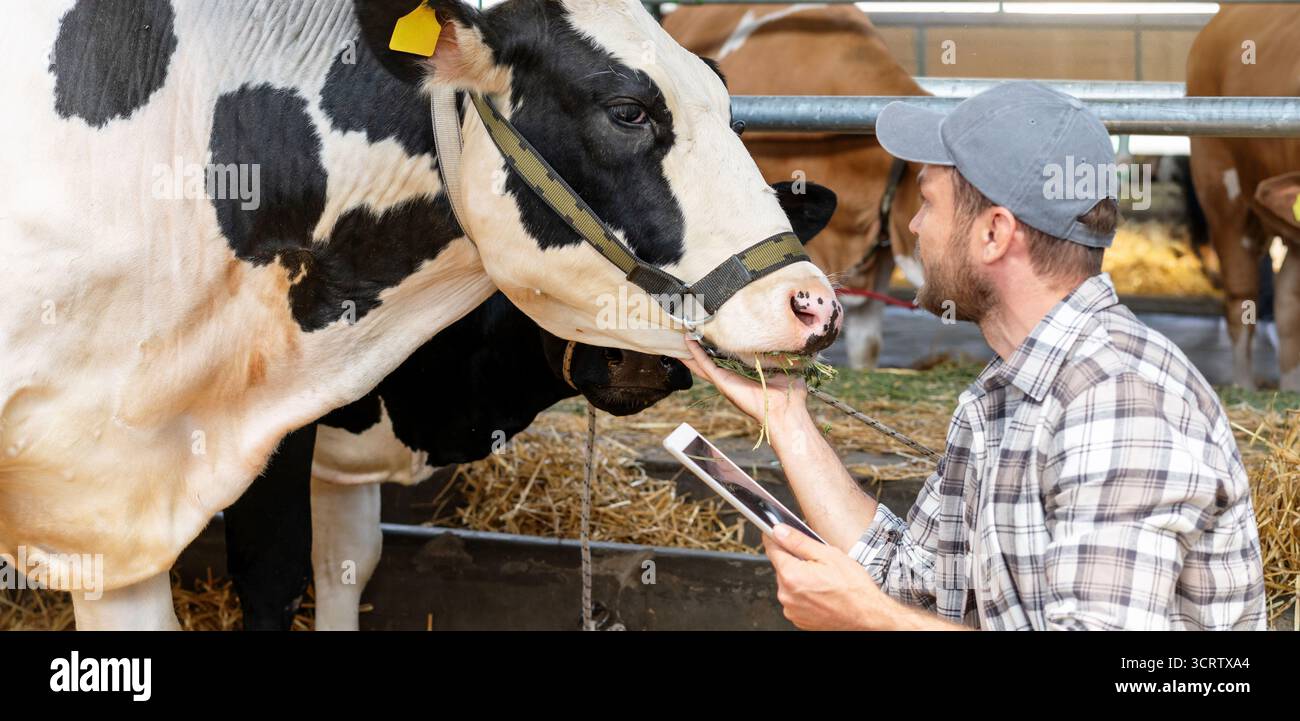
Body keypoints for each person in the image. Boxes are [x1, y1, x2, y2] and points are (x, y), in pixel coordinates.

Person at [681, 81, 1267, 630]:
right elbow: (909, 580)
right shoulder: (1003, 394)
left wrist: (870, 619)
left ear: (994, 234)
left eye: (929, 202)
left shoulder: (1119, 402)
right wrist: (786, 417)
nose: (913, 226)